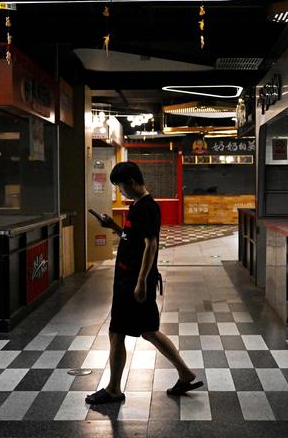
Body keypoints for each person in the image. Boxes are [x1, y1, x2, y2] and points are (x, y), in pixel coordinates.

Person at [85, 161, 203, 405]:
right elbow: (133, 239)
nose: (120, 192)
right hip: (131, 279)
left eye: (119, 187)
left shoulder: (146, 208)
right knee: (148, 330)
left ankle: (114, 389)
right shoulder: (137, 206)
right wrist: (114, 227)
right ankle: (185, 374)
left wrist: (140, 282)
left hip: (133, 281)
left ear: (130, 181)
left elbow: (151, 245)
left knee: (117, 332)